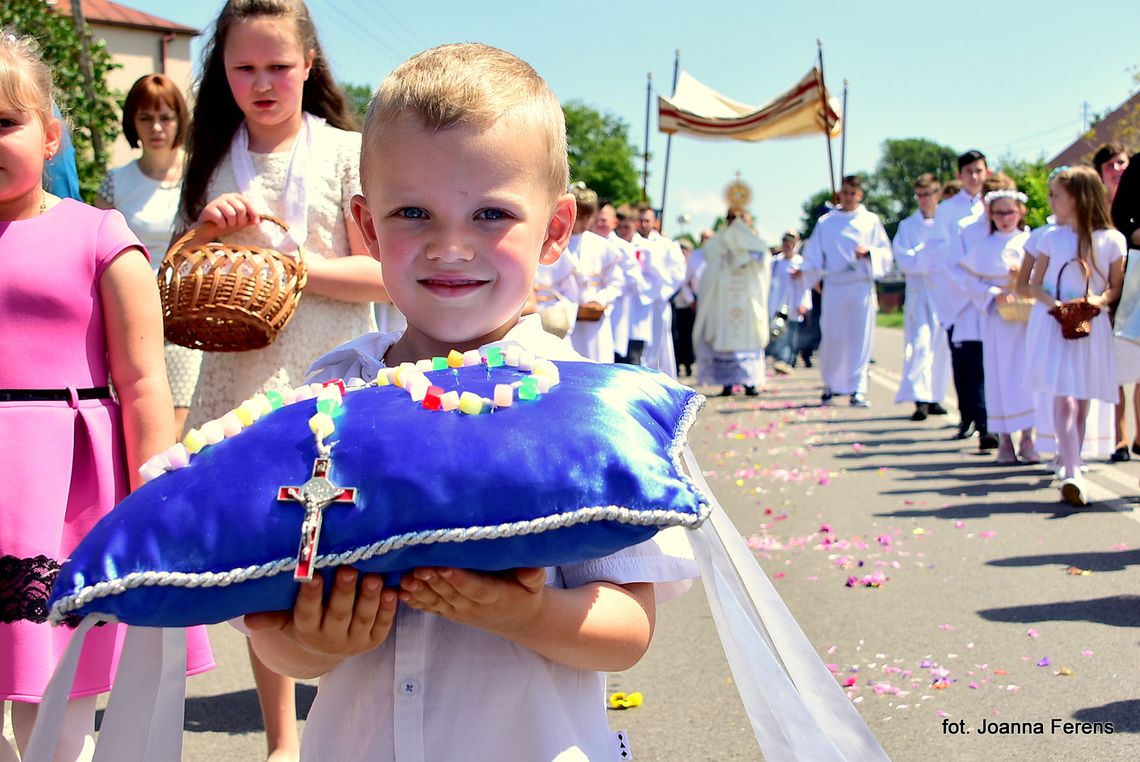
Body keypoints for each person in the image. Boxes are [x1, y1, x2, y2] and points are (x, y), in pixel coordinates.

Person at [242, 42, 696, 762]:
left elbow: (628, 629)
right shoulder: (330, 398)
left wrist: (531, 612)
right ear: (367, 227)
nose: (450, 247)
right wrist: (310, 641)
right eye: (413, 212)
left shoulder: (590, 407)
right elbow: (274, 626)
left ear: (554, 230)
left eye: (491, 214)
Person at [177, 1, 388, 758]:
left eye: (277, 65)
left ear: (308, 65)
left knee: (341, 550)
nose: (262, 82)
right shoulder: (213, 155)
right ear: (222, 72)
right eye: (244, 67)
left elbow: (383, 275)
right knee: (263, 555)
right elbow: (181, 274)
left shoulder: (345, 153)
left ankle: (353, 720)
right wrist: (208, 232)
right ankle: (282, 738)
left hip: (331, 375)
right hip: (239, 380)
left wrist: (294, 262)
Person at [0, 31, 212, 762]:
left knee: (52, 695)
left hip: (65, 488)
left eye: (5, 122)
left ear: (51, 132)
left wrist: (154, 498)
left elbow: (144, 378)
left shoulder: (98, 234)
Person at [95, 73, 202, 438]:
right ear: (133, 123)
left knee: (184, 430)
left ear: (179, 120)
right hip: (131, 314)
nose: (157, 127)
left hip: (186, 316)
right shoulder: (115, 180)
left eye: (166, 116)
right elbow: (99, 254)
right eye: (146, 117)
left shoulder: (199, 174)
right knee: (138, 422)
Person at [1025, 166, 1125, 506]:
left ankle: (1072, 459)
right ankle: (1071, 471)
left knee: (1081, 400)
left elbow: (1114, 287)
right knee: (1063, 396)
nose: (1051, 200)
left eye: (1056, 195)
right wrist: (1056, 306)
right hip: (1057, 325)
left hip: (1091, 326)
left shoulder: (1111, 240)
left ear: (1079, 198)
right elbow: (1032, 283)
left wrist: (1094, 302)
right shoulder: (1051, 237)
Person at [799, 175, 892, 407]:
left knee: (859, 339)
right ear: (839, 194)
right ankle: (831, 384)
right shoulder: (826, 222)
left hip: (860, 285)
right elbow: (813, 257)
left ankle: (857, 388)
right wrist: (808, 272)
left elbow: (886, 253)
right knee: (833, 337)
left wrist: (869, 252)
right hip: (835, 286)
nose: (849, 197)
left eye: (853, 193)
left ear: (859, 195)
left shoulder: (870, 221)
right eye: (845, 193)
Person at [959, 189, 1037, 463]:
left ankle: (1028, 437)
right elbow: (969, 282)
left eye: (1010, 212)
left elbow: (1044, 277)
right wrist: (994, 292)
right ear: (991, 215)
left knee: (1028, 375)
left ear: (1020, 212)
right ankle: (1005, 440)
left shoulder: (1031, 241)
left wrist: (1023, 282)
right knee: (1000, 374)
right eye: (999, 212)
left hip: (1026, 319)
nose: (1005, 218)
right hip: (998, 321)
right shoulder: (984, 245)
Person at [935, 150, 992, 442]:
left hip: (989, 296)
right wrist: (968, 289)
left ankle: (987, 422)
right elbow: (944, 256)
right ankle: (968, 416)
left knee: (988, 363)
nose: (974, 177)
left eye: (979, 171)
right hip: (958, 297)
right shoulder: (946, 210)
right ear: (959, 175)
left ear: (987, 173)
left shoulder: (994, 206)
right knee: (964, 363)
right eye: (968, 171)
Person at [692, 209, 771, 396]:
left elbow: (764, 262)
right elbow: (709, 257)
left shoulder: (755, 242)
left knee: (748, 336)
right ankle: (727, 381)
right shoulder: (720, 240)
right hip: (725, 295)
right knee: (724, 336)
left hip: (747, 295)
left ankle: (749, 381)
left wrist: (747, 255)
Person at [1092, 145, 1138, 462]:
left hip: (1135, 279)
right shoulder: (1096, 203)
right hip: (1119, 284)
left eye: (1119, 162)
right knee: (1117, 364)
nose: (1117, 169)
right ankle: (1120, 435)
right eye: (1110, 165)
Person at [893, 173, 952, 420]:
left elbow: (952, 256)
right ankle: (919, 399)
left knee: (941, 348)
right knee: (919, 344)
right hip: (920, 293)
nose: (924, 200)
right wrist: (926, 257)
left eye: (928, 194)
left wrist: (926, 257)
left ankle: (935, 396)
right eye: (920, 195)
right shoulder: (908, 226)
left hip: (944, 293)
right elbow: (904, 260)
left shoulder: (948, 222)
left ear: (937, 194)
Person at [565, 184, 624, 362]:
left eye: (588, 217)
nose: (583, 222)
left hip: (595, 323)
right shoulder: (557, 243)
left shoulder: (603, 247)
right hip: (567, 322)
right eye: (579, 217)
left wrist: (600, 299)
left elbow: (616, 282)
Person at [636, 204, 687, 378]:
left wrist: (663, 293)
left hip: (658, 302)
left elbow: (678, 273)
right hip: (636, 303)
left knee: (659, 344)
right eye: (640, 220)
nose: (643, 224)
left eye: (647, 221)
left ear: (654, 222)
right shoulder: (631, 242)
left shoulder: (667, 245)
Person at [766, 229, 812, 375]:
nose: (788, 245)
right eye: (785, 242)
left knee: (790, 336)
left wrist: (805, 303)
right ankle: (780, 359)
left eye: (791, 242)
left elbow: (806, 286)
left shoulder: (800, 263)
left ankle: (785, 361)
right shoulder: (775, 262)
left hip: (793, 304)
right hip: (776, 305)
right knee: (776, 334)